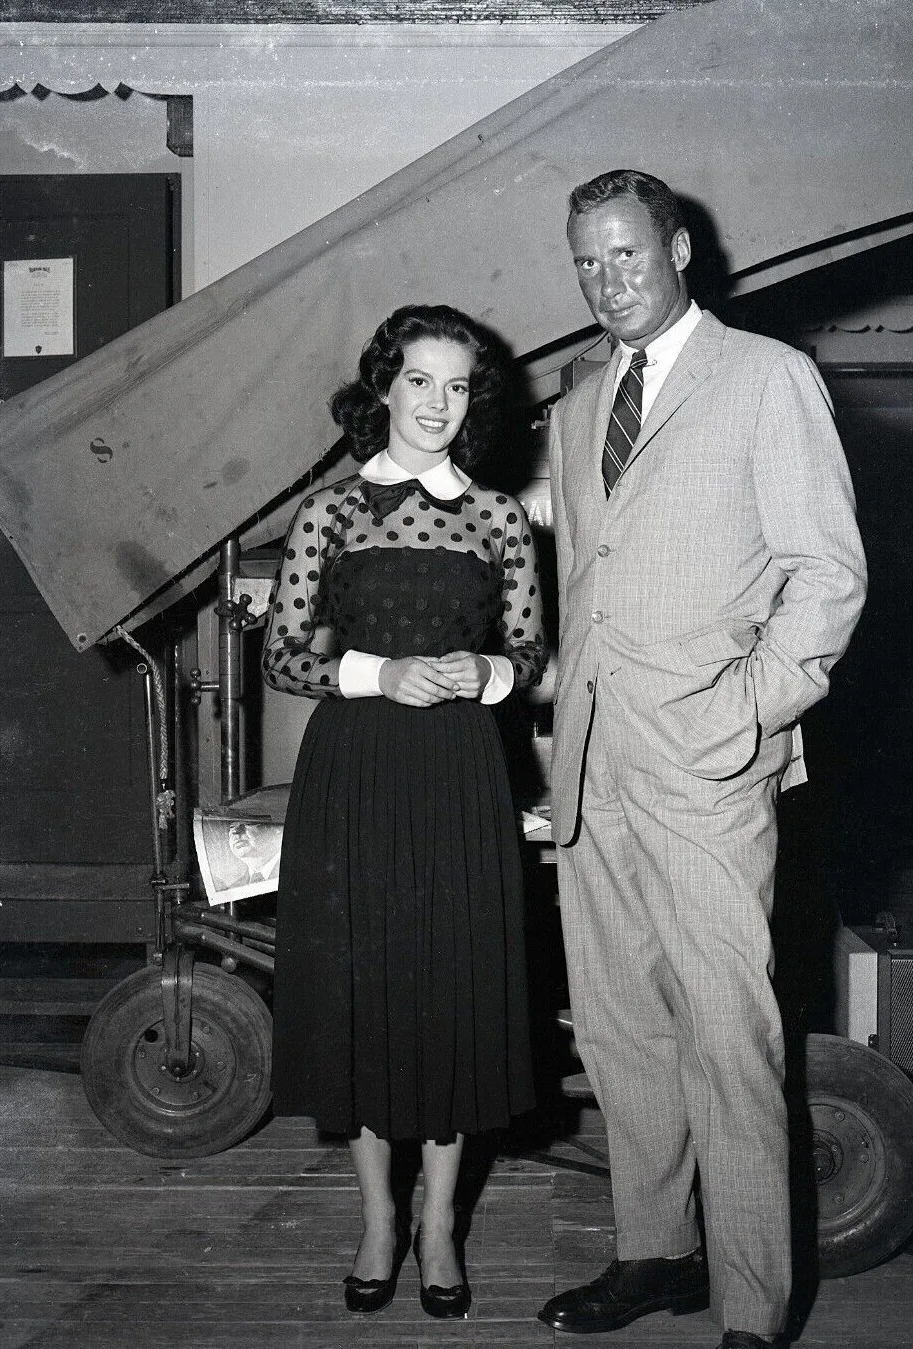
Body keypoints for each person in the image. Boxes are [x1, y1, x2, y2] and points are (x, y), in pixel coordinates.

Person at [539, 170, 867, 1349]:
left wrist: (749, 713)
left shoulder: (768, 378)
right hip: (595, 766)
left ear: (678, 249)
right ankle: (656, 1249)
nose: (607, 280)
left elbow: (827, 573)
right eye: (587, 261)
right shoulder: (579, 403)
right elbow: (587, 583)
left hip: (709, 762)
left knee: (729, 1033)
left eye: (627, 253)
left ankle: (754, 1301)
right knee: (619, 1025)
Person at [262, 304, 546, 1320]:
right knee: (368, 992)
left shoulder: (499, 517)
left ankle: (439, 1226)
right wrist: (380, 673)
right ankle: (380, 1218)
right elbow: (282, 655)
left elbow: (531, 654)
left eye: (457, 386)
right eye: (419, 380)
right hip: (357, 774)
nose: (436, 403)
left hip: (462, 774)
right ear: (382, 387)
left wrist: (487, 673)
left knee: (453, 988)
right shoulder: (330, 513)